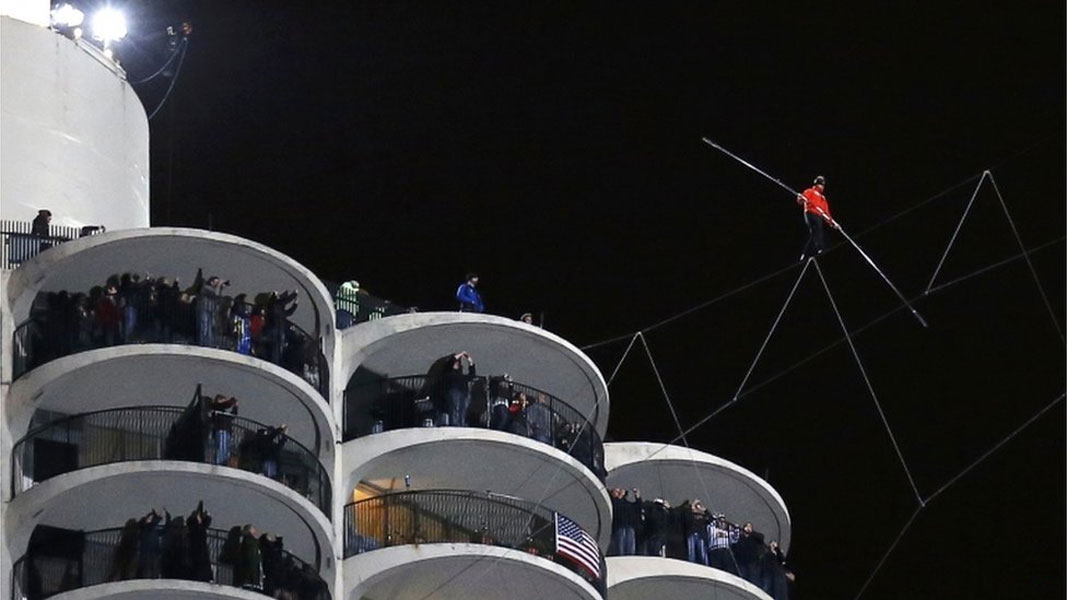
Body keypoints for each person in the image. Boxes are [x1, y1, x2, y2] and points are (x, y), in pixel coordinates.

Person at [796, 175, 838, 261]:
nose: (822, 187)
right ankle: (821, 248)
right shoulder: (810, 191)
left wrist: (832, 223)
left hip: (818, 215)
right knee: (818, 229)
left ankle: (805, 254)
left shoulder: (823, 198)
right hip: (810, 213)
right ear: (817, 184)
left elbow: (826, 213)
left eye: (823, 185)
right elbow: (801, 201)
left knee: (814, 233)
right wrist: (801, 198)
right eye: (820, 185)